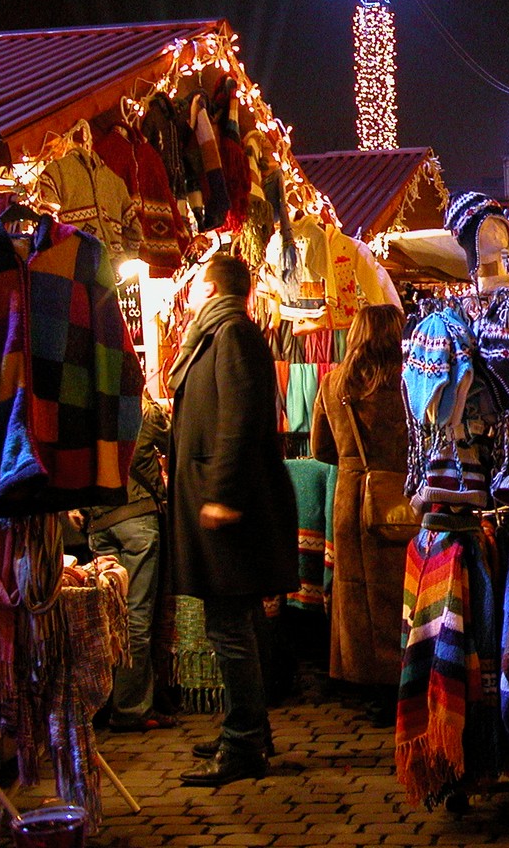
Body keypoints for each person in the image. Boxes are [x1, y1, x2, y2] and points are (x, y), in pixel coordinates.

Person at [169, 254, 298, 786]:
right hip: (220, 503)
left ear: (214, 286)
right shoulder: (216, 335)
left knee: (230, 627)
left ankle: (244, 743)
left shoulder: (233, 336)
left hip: (230, 510)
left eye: (197, 284)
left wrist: (221, 494)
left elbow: (241, 418)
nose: (192, 293)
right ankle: (248, 729)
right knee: (236, 623)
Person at [310, 303, 409, 728]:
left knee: (357, 595)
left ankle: (369, 685)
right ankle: (406, 675)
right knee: (403, 589)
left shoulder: (334, 384)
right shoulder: (409, 382)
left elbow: (320, 449)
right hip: (401, 494)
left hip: (352, 497)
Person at [77, 393, 173, 733]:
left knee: (105, 617)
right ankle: (130, 707)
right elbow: (175, 444)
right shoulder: (145, 414)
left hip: (99, 522)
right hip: (136, 521)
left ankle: (100, 703)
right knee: (136, 615)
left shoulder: (86, 415)